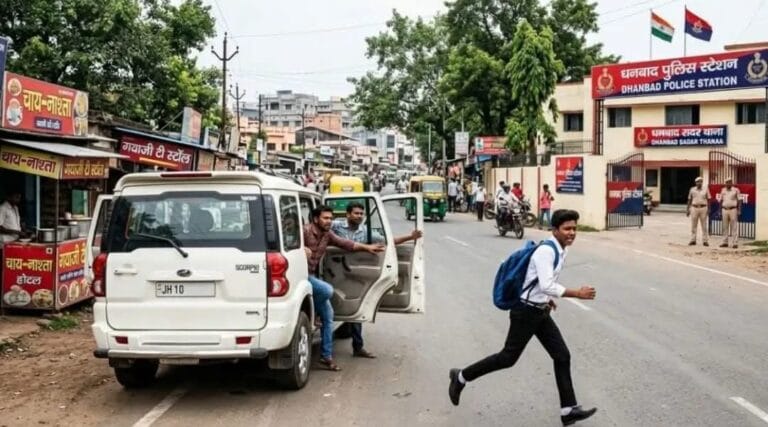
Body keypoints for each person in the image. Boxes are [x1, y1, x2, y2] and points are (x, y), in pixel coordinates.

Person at [448, 209, 598, 426]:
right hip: (525, 312)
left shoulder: (561, 249)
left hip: (539, 310)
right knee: (508, 358)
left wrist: (546, 299)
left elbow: (539, 283)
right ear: (555, 230)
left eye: (574, 229)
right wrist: (577, 293)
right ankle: (461, 376)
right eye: (567, 229)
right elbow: (546, 284)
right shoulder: (547, 251)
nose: (572, 233)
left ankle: (568, 410)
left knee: (562, 356)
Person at [331, 202, 423, 358]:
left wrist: (410, 237)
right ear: (347, 214)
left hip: (351, 271)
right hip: (332, 269)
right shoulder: (335, 226)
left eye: (361, 214)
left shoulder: (366, 232)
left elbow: (387, 241)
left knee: (356, 309)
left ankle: (358, 347)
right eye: (356, 213)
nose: (359, 216)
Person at [304, 206, 385, 371]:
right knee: (327, 291)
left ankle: (325, 357)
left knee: (329, 316)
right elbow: (285, 243)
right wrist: (300, 249)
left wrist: (367, 248)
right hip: (300, 276)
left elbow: (347, 244)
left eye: (330, 218)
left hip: (312, 276)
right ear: (315, 219)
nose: (329, 221)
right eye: (325, 218)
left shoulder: (327, 235)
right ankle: (314, 313)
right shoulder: (304, 232)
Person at [686, 177, 710, 246]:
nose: (699, 183)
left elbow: (709, 199)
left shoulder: (706, 189)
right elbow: (689, 200)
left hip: (703, 208)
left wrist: (709, 209)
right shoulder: (692, 189)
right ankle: (693, 240)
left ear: (702, 182)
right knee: (693, 225)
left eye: (700, 181)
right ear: (695, 183)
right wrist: (687, 209)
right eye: (698, 182)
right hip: (694, 208)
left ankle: (705, 241)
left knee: (704, 225)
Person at [719, 178, 741, 249]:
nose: (728, 184)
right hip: (724, 209)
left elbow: (739, 200)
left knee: (734, 227)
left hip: (733, 209)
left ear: (732, 183)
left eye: (730, 182)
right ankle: (725, 242)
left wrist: (739, 210)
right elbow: (721, 200)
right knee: (725, 227)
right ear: (725, 183)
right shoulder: (723, 190)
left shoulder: (736, 190)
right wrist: (720, 210)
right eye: (727, 182)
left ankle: (735, 243)